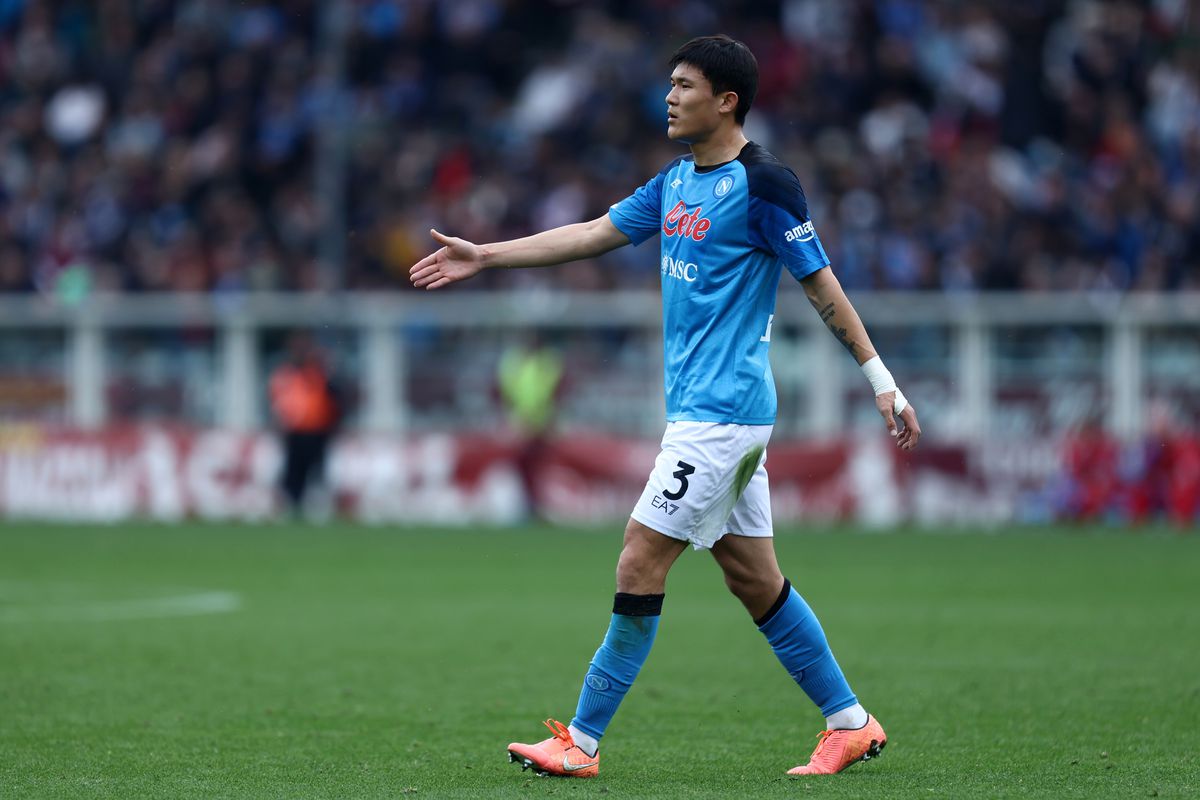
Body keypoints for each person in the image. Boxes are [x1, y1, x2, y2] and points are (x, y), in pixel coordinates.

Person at [409, 34, 921, 778]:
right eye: (670, 84)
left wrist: (882, 379)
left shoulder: (767, 185)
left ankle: (580, 742)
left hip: (724, 415)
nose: (671, 97)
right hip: (704, 416)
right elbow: (591, 234)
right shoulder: (677, 181)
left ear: (727, 101)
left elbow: (820, 283)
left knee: (640, 556)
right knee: (754, 580)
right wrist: (486, 255)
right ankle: (851, 723)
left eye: (685, 85)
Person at [268, 333, 342, 517]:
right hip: (294, 432)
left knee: (317, 471)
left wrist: (334, 424)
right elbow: (276, 401)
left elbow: (334, 400)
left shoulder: (318, 373)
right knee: (294, 471)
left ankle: (317, 509)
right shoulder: (284, 374)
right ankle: (292, 507)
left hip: (317, 431)